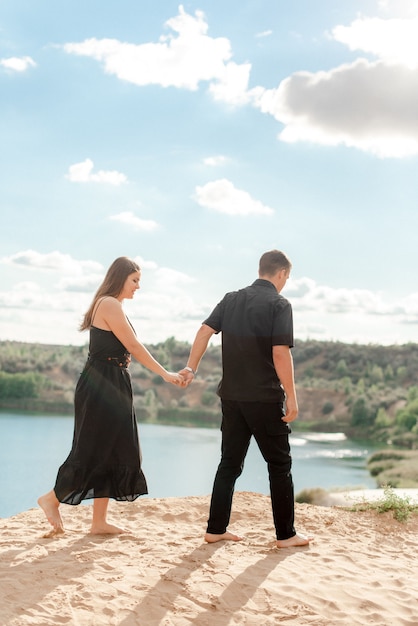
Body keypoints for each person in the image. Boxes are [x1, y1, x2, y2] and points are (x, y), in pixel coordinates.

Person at [38, 256, 183, 536]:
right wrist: (165, 374)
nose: (138, 287)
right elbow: (133, 346)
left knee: (113, 449)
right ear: (120, 278)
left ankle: (99, 522)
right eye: (135, 280)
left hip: (113, 382)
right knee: (91, 448)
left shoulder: (113, 305)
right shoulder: (109, 304)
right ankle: (51, 499)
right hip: (101, 384)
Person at [179, 250, 310, 548]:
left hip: (232, 398)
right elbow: (280, 352)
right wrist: (292, 396)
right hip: (264, 398)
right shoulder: (280, 304)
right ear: (281, 274)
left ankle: (215, 528)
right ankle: (286, 535)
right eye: (287, 277)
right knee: (279, 465)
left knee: (229, 464)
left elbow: (203, 331)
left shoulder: (231, 299)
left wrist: (191, 367)